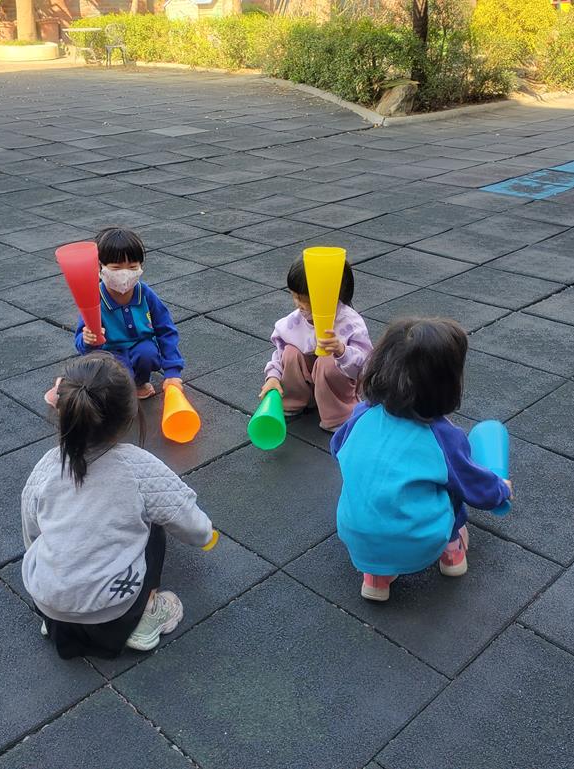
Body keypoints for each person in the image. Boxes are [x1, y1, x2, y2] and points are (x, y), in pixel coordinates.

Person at [22, 352, 215, 659]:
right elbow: (182, 513)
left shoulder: (47, 467)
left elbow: (32, 530)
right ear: (128, 417)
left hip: (49, 598)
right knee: (153, 525)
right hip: (115, 606)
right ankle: (145, 617)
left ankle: (59, 622)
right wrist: (205, 534)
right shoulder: (138, 468)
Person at [330, 319, 513, 602]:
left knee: (370, 480)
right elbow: (472, 484)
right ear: (447, 385)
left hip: (355, 535)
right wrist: (500, 489)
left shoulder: (361, 415)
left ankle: (376, 579)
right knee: (451, 486)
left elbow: (336, 448)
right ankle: (452, 552)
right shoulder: (442, 435)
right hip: (419, 542)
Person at [45, 227, 184, 407]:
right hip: (109, 354)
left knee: (147, 352)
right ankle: (65, 386)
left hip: (138, 348)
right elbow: (82, 345)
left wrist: (172, 372)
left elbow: (166, 330)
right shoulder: (94, 299)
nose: (125, 274)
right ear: (100, 268)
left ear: (141, 266)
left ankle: (137, 383)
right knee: (109, 382)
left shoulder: (145, 294)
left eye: (132, 267)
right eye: (116, 268)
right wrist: (88, 340)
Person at [258, 259, 372, 432]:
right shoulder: (295, 321)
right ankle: (295, 400)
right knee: (290, 352)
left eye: (304, 300)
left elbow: (366, 366)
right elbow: (280, 354)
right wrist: (273, 377)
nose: (297, 303)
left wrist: (342, 351)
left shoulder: (350, 323)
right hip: (311, 382)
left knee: (327, 361)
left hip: (339, 386)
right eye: (294, 296)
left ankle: (338, 415)